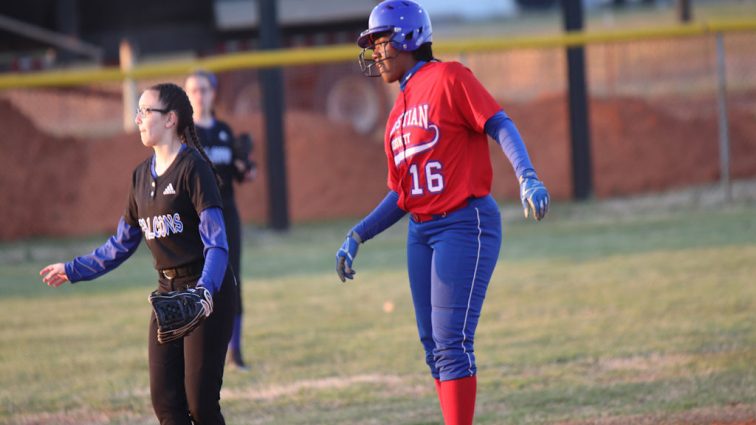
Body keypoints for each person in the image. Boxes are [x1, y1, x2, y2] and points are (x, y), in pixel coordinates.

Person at [335, 1, 550, 424]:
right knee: (433, 346)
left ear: (408, 38)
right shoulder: (396, 113)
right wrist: (358, 234)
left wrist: (527, 174)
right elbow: (403, 194)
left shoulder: (449, 77)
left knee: (452, 344)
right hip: (422, 232)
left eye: (381, 41)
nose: (376, 52)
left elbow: (499, 123)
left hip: (463, 222)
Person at [39, 82, 237, 425]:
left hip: (207, 292)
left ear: (171, 119)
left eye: (146, 111)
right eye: (139, 111)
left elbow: (217, 243)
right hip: (167, 296)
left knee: (202, 406)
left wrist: (205, 290)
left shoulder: (194, 169)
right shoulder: (140, 176)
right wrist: (73, 269)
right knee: (167, 406)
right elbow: (119, 245)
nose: (139, 118)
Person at [185, 70, 255, 371]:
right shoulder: (185, 136)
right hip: (196, 218)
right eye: (194, 90)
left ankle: (235, 352)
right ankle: (198, 350)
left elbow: (245, 175)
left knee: (232, 280)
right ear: (188, 96)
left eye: (204, 89)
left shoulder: (225, 132)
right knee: (196, 281)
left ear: (213, 94)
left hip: (227, 214)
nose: (200, 95)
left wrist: (245, 164)